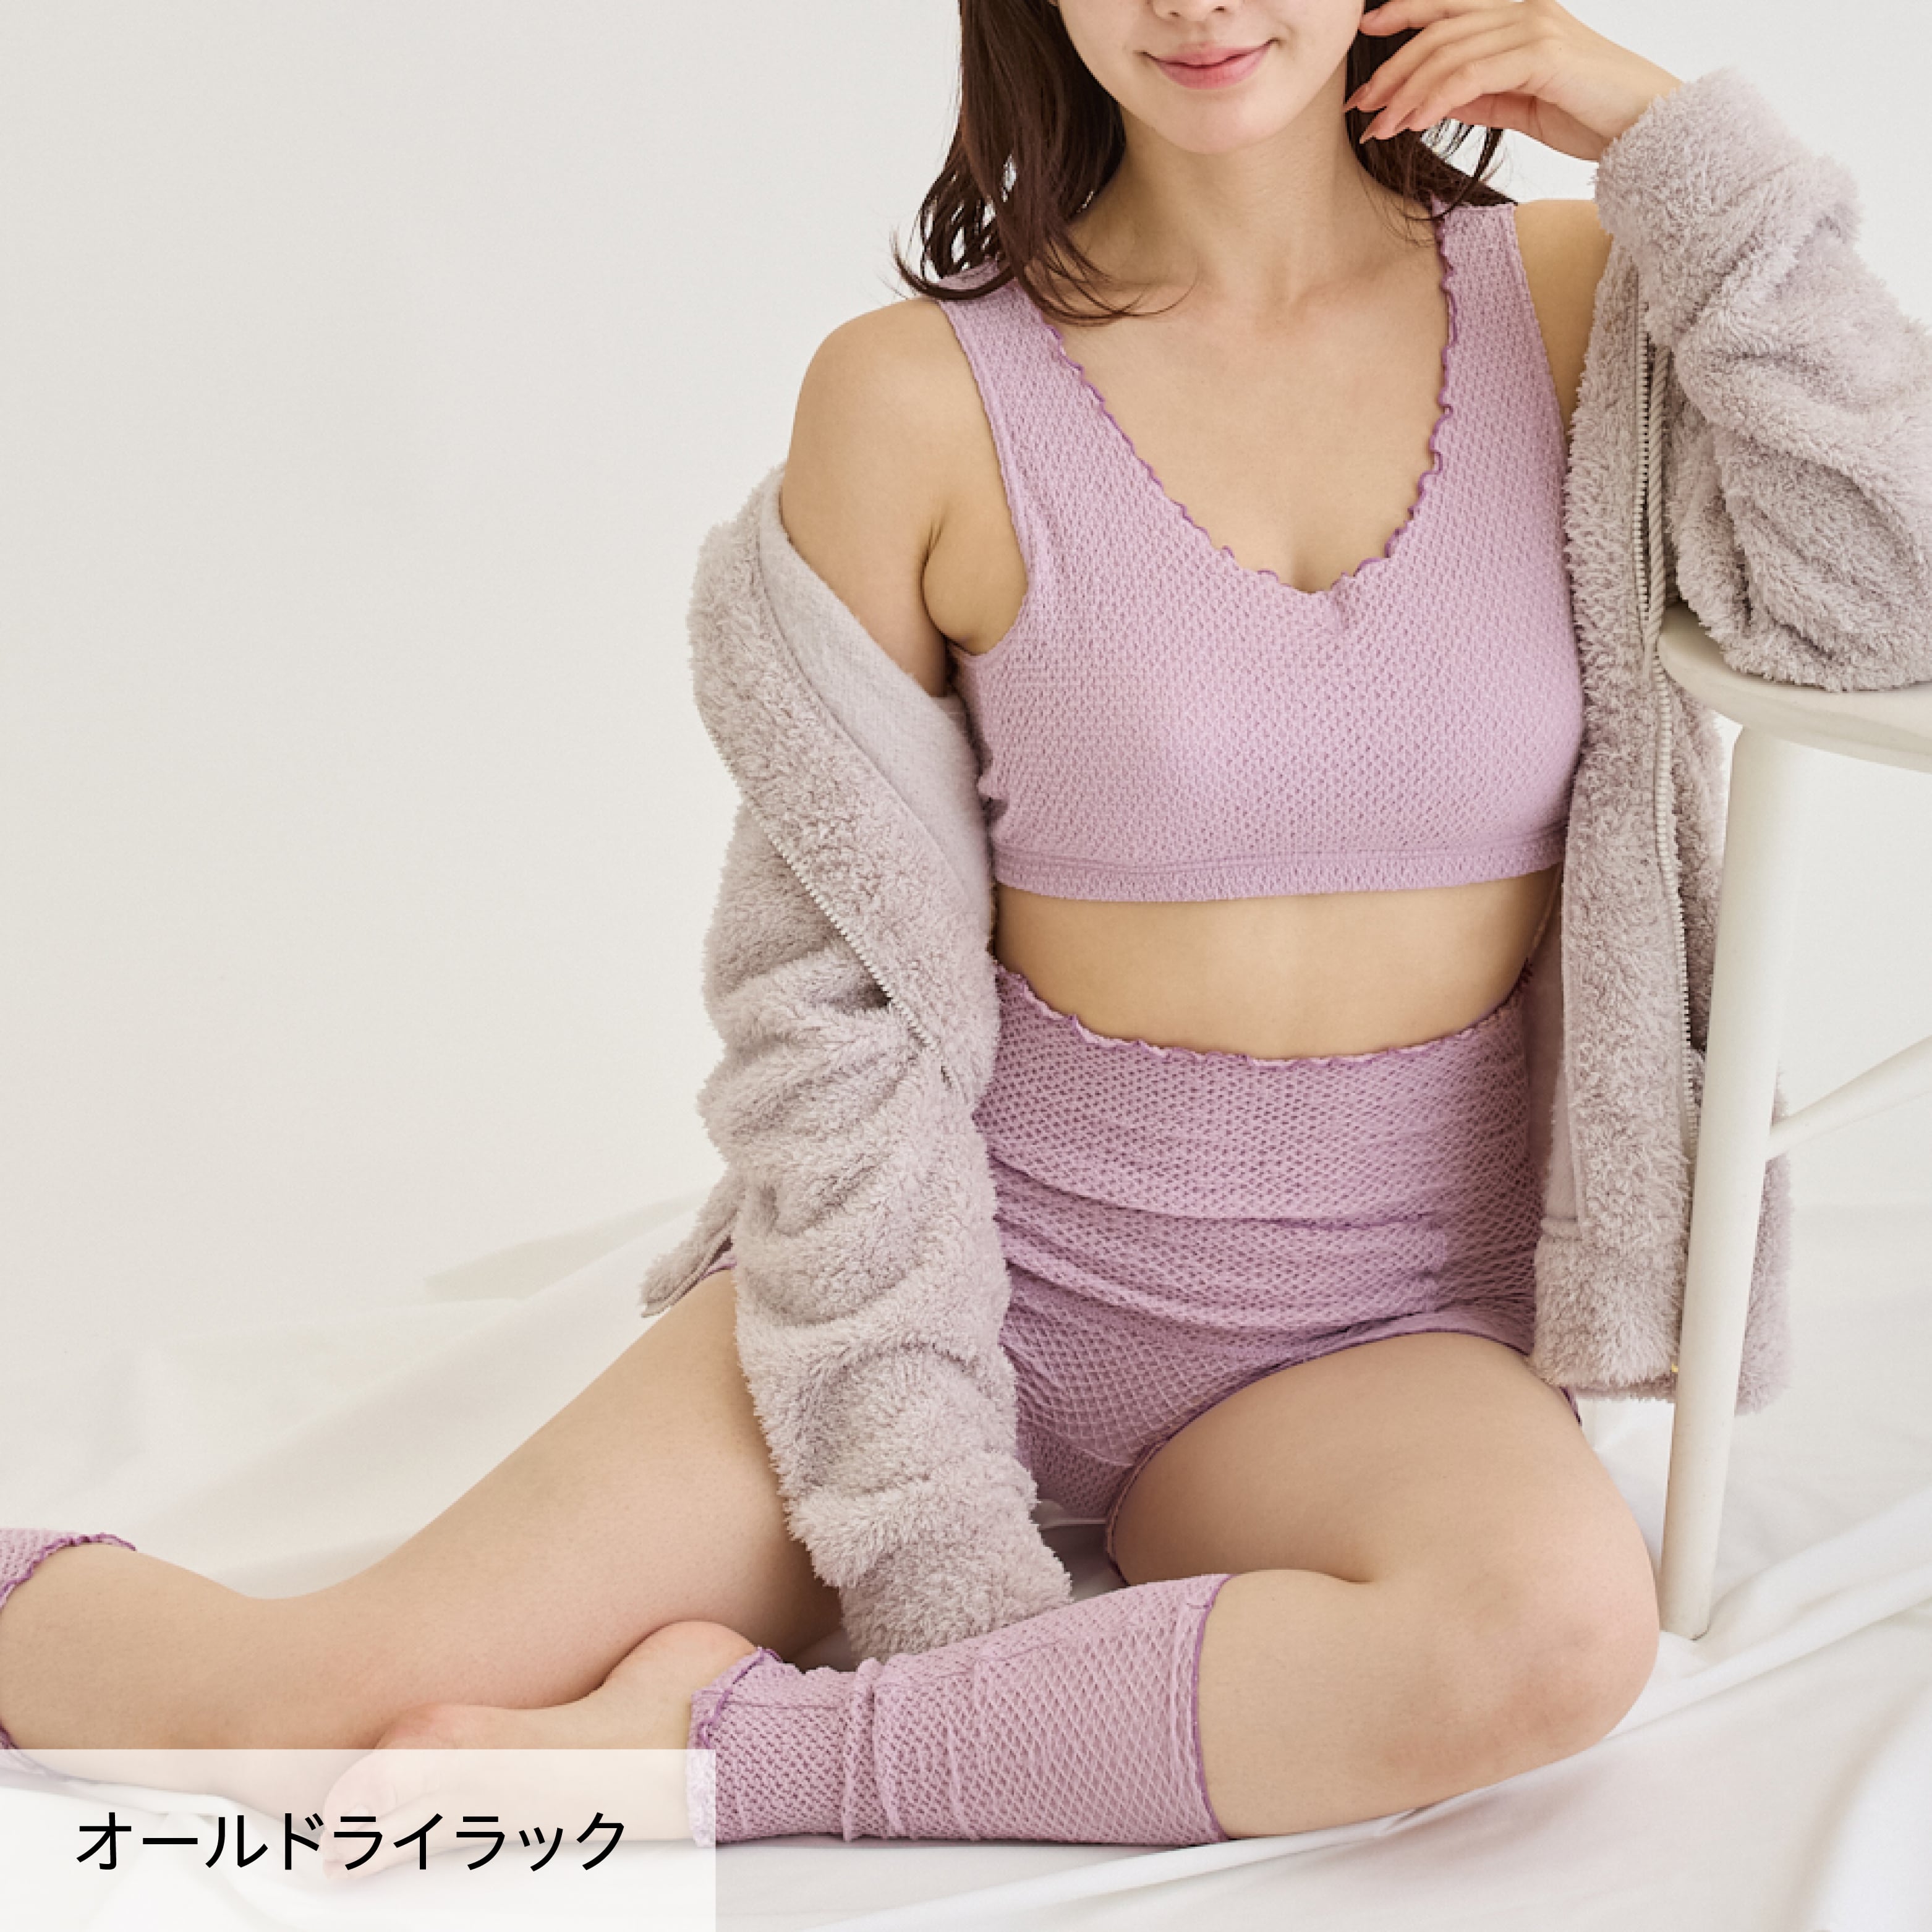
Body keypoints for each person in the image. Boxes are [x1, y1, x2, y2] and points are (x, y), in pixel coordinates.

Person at [7, 0, 1931, 1860]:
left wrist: (1674, 141)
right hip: (966, 1276)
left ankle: (707, 1751)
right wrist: (934, 1548)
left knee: (1550, 1643)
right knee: (267, 1715)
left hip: (1388, 1330)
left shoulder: (1588, 301)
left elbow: (1894, 600)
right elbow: (825, 1000)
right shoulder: (913, 399)